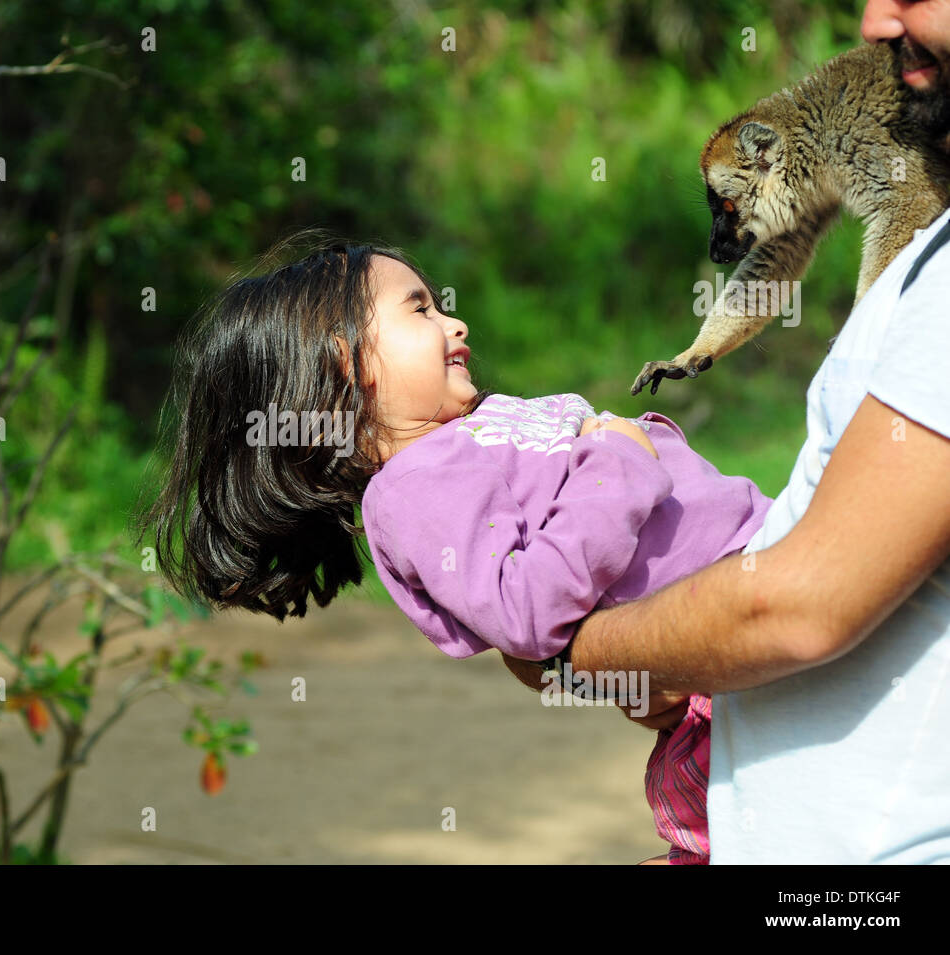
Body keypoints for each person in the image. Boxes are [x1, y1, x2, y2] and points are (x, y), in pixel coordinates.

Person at [135, 235, 775, 864]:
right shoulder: (413, 486)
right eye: (420, 309)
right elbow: (526, 611)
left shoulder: (475, 432)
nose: (455, 321)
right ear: (344, 362)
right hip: (731, 677)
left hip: (761, 585)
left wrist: (637, 442)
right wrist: (622, 459)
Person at [504, 1, 950, 863]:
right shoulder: (813, 162)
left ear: (766, 156)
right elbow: (772, 258)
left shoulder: (897, 191)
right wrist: (699, 349)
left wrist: (580, 649)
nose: (874, 21)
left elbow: (797, 606)